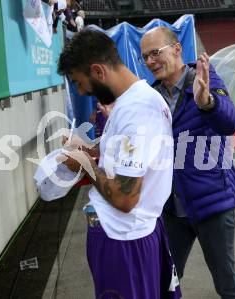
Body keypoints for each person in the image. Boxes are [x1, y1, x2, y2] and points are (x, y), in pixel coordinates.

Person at [57, 29, 181, 299]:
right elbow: (124, 159)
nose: (81, 91)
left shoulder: (136, 109)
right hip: (126, 237)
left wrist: (85, 163)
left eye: (79, 82)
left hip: (124, 241)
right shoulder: (130, 103)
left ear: (99, 71)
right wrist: (89, 150)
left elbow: (125, 197)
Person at [140, 26, 235, 299]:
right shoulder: (151, 97)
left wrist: (207, 101)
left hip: (212, 204)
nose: (151, 61)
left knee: (227, 284)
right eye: (145, 57)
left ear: (177, 49)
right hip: (172, 209)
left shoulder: (205, 78)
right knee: (164, 281)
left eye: (156, 53)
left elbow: (229, 122)